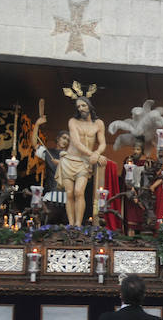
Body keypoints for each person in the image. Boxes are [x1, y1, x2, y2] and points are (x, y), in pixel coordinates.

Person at [59, 96, 107, 225]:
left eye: (83, 105)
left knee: (79, 192)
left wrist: (97, 153)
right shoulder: (73, 121)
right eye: (78, 107)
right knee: (69, 193)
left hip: (84, 163)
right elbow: (76, 142)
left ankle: (78, 225)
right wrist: (94, 154)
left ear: (89, 106)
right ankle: (71, 224)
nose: (81, 109)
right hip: (69, 160)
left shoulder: (98, 123)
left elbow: (102, 143)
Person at [31, 114, 67, 224]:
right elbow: (34, 144)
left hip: (67, 200)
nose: (66, 141)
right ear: (58, 139)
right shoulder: (49, 153)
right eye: (64, 138)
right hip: (52, 196)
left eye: (68, 140)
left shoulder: (71, 157)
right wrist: (37, 124)